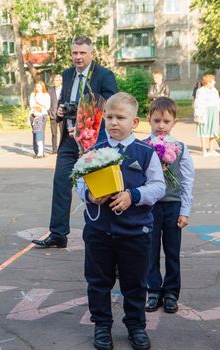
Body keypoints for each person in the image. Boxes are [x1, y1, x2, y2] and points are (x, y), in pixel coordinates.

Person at [76, 93, 166, 350]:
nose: (113, 123)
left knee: (135, 282)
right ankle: (102, 325)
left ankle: (136, 326)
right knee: (98, 281)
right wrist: (90, 195)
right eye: (109, 117)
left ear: (135, 121)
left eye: (120, 118)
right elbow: (79, 184)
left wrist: (133, 195)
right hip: (99, 231)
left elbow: (158, 186)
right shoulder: (94, 152)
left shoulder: (146, 152)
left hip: (135, 231)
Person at [33, 36, 118, 249]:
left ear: (91, 54)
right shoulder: (68, 74)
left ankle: (109, 238)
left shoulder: (104, 75)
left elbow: (112, 106)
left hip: (93, 142)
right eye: (75, 53)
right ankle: (58, 234)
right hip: (69, 141)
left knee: (101, 189)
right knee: (61, 184)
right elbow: (63, 102)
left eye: (82, 53)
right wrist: (61, 111)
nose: (78, 57)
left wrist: (85, 117)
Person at [145, 97, 195, 314]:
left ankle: (172, 292)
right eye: (157, 120)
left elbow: (187, 179)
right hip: (150, 207)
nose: (161, 126)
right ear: (149, 120)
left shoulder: (181, 148)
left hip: (173, 206)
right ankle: (153, 291)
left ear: (174, 121)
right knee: (150, 250)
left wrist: (185, 210)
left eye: (166, 121)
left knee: (172, 252)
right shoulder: (143, 146)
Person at [193, 74, 220, 157]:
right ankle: (204, 150)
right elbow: (197, 103)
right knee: (204, 130)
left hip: (214, 112)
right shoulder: (200, 91)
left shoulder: (214, 90)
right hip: (205, 113)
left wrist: (218, 111)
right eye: (213, 80)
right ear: (208, 82)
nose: (214, 82)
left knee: (213, 130)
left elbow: (218, 101)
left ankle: (211, 149)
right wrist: (199, 115)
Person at [29, 81, 51, 158]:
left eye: (39, 86)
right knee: (35, 133)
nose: (38, 88)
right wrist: (38, 106)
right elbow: (32, 105)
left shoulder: (46, 95)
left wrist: (39, 103)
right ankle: (36, 151)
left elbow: (47, 107)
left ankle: (41, 152)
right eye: (37, 86)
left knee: (41, 133)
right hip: (33, 115)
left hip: (43, 115)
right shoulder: (33, 94)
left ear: (42, 87)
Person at [48, 74, 63, 154]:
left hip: (62, 116)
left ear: (61, 81)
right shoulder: (50, 90)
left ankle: (61, 149)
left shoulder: (64, 90)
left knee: (62, 133)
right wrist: (49, 112)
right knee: (54, 134)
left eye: (57, 80)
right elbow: (47, 102)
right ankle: (54, 150)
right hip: (53, 115)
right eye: (55, 80)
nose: (55, 82)